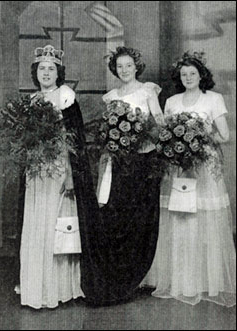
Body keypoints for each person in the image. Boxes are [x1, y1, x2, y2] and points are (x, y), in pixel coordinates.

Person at [142, 51, 236, 307]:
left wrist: (198, 137)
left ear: (201, 75)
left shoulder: (213, 99)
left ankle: (206, 281)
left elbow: (224, 136)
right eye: (183, 74)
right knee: (179, 219)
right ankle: (180, 280)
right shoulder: (172, 101)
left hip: (203, 167)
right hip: (177, 167)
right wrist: (178, 142)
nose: (188, 78)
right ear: (179, 77)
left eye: (192, 73)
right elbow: (165, 133)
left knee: (202, 217)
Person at [17, 45, 100, 309]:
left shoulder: (66, 98)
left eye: (51, 69)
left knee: (57, 226)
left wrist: (71, 176)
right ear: (35, 73)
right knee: (36, 224)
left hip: (59, 171)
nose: (46, 73)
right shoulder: (30, 102)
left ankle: (60, 286)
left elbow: (73, 142)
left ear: (59, 73)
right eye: (41, 68)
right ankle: (36, 286)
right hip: (36, 173)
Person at [90, 46, 164, 305]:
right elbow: (107, 133)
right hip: (119, 165)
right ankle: (118, 276)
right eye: (119, 66)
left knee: (139, 216)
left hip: (142, 162)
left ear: (136, 66)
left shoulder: (148, 91)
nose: (124, 70)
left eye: (128, 65)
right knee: (117, 216)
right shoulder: (110, 97)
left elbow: (159, 124)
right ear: (115, 69)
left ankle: (137, 275)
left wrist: (140, 135)